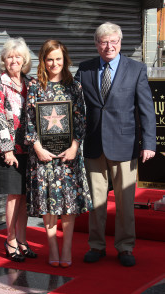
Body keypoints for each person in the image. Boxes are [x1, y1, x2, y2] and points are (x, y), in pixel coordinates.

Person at [75, 22, 156, 267]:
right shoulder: (85, 69)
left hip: (125, 145)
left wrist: (148, 143)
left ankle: (125, 247)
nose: (108, 46)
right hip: (94, 146)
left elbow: (146, 110)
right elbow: (73, 103)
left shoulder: (137, 69)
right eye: (103, 42)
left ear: (120, 43)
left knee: (124, 203)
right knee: (96, 202)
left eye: (113, 41)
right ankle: (97, 246)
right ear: (96, 44)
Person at [25, 40, 93, 268]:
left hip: (69, 156)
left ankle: (66, 249)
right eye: (49, 59)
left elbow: (81, 120)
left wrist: (74, 147)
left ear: (65, 60)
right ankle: (52, 248)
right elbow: (29, 123)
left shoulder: (74, 86)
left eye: (58, 59)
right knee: (49, 204)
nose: (54, 63)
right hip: (43, 157)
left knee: (68, 204)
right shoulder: (35, 86)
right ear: (43, 61)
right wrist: (37, 149)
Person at [0, 37, 37, 262]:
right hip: (7, 151)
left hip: (29, 149)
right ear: (4, 60)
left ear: (25, 59)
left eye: (18, 56)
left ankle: (23, 241)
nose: (14, 60)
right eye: (9, 56)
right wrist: (8, 150)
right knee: (14, 196)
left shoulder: (32, 83)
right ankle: (10, 241)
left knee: (24, 197)